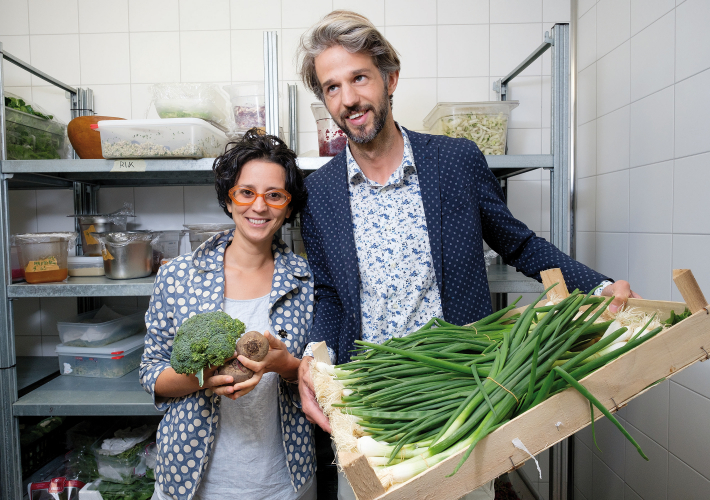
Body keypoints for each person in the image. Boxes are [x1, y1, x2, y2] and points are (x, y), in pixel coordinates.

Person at [295, 10, 642, 500]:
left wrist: (598, 286)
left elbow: (518, 242)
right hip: (370, 404)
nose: (348, 98)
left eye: (359, 78)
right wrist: (314, 355)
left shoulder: (455, 161)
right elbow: (328, 293)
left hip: (462, 399)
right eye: (332, 87)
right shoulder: (321, 194)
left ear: (390, 78)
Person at [140, 130, 317, 500]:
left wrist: (285, 364)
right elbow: (151, 374)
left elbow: (321, 373)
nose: (259, 207)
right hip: (192, 481)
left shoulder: (305, 280)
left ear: (288, 205)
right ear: (228, 198)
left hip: (283, 481)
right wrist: (203, 380)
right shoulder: (177, 276)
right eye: (246, 192)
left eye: (274, 195)